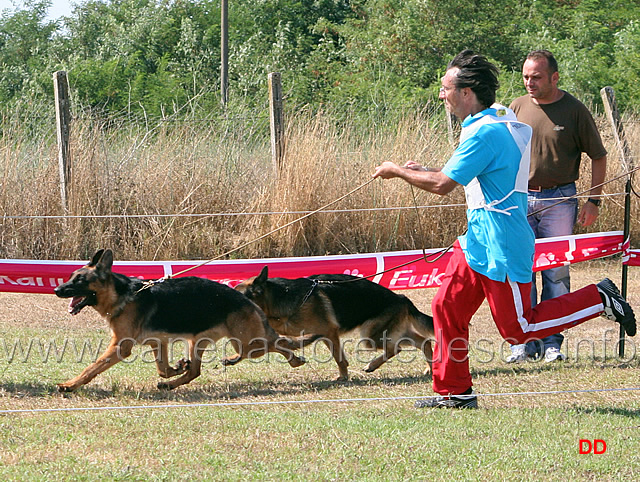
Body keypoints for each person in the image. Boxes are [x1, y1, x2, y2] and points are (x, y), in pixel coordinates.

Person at [372, 50, 635, 409]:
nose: (440, 95)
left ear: (467, 93)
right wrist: (427, 168)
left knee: (519, 329)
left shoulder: (485, 132)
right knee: (446, 308)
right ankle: (455, 393)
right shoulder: (497, 116)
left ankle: (599, 298)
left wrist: (398, 171)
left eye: (445, 88)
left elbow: (441, 185)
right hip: (477, 240)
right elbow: (475, 172)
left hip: (502, 244)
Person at [506, 49, 608, 364]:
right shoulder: (516, 107)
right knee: (521, 271)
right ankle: (523, 342)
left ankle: (552, 342)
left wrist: (593, 200)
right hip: (520, 200)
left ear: (554, 77)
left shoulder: (575, 110)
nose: (529, 82)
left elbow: (599, 155)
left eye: (536, 77)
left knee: (556, 273)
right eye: (525, 76)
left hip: (561, 200)